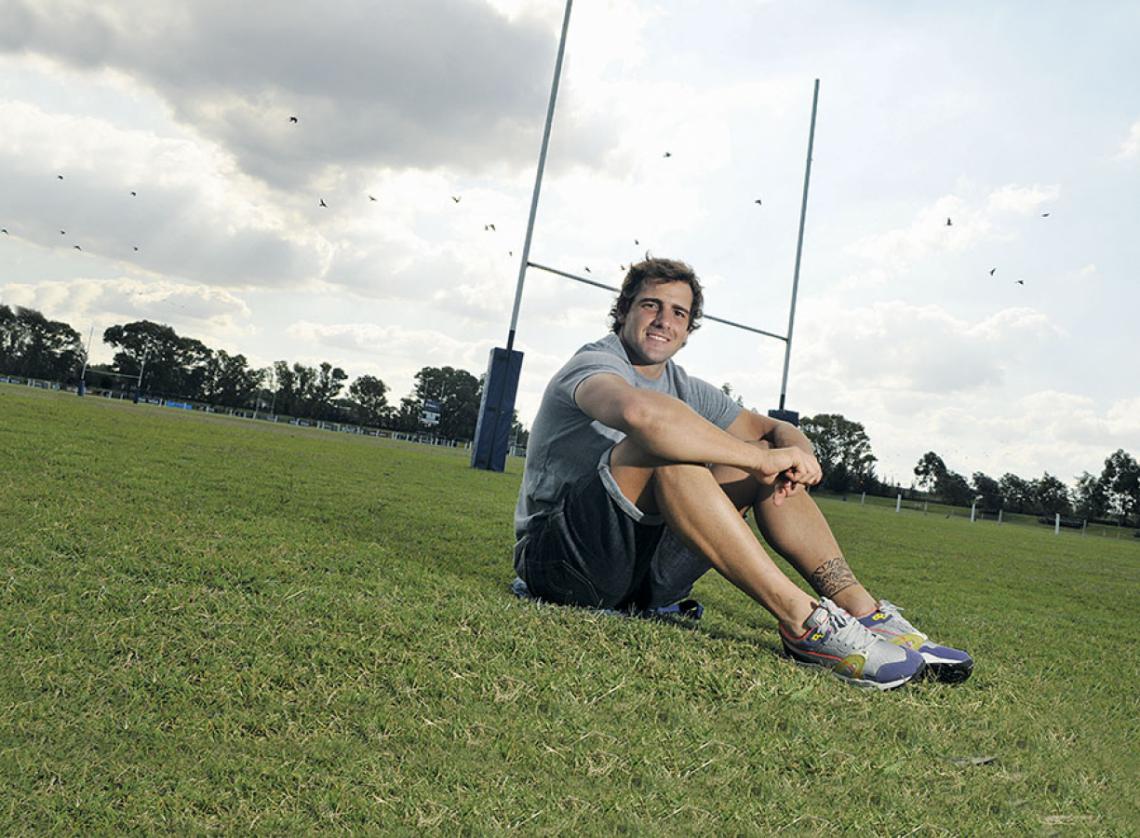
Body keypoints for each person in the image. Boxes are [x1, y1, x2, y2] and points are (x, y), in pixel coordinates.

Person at [512, 257, 972, 690]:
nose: (663, 320)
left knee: (754, 456)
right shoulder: (595, 363)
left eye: (678, 312)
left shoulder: (685, 386)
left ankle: (863, 611)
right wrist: (761, 458)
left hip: (646, 582)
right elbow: (642, 416)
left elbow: (773, 430)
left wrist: (794, 454)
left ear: (688, 330)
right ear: (624, 311)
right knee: (670, 451)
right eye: (650, 305)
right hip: (562, 564)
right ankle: (803, 622)